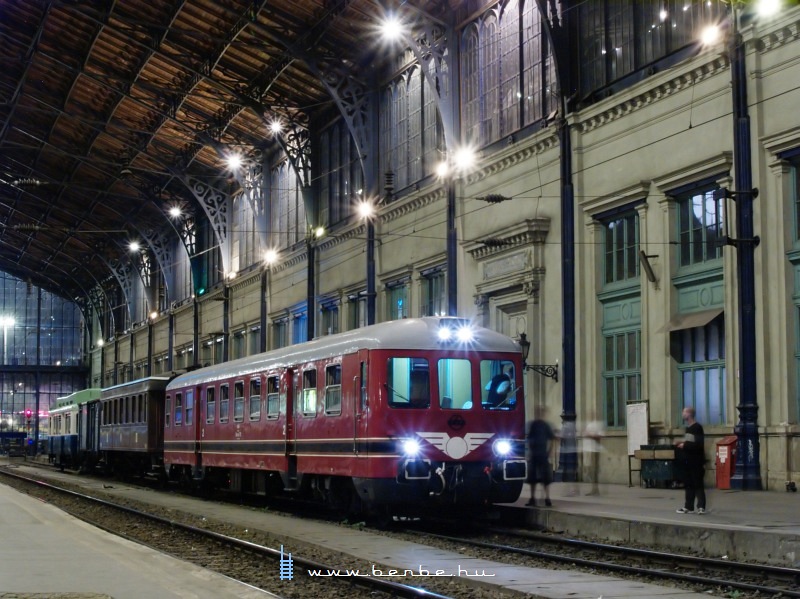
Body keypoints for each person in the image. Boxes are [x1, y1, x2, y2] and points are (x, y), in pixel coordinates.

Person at [675, 406, 706, 514]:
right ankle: (688, 506)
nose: (682, 414)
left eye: (684, 412)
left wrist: (684, 445)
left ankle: (701, 506)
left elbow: (698, 444)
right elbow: (690, 443)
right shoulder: (688, 428)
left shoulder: (697, 428)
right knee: (688, 484)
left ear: (689, 414)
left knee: (698, 484)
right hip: (688, 461)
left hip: (696, 461)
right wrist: (682, 443)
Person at [526, 405, 555, 507]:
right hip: (537, 454)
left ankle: (545, 498)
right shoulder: (535, 424)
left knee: (544, 477)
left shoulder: (541, 425)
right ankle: (535, 498)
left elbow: (551, 439)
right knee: (533, 477)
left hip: (541, 454)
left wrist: (549, 451)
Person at [582, 414, 605, 495]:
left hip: (595, 450)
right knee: (590, 469)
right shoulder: (589, 424)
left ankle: (595, 489)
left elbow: (599, 436)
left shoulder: (598, 425)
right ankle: (594, 489)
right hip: (589, 449)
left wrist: (590, 435)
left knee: (594, 469)